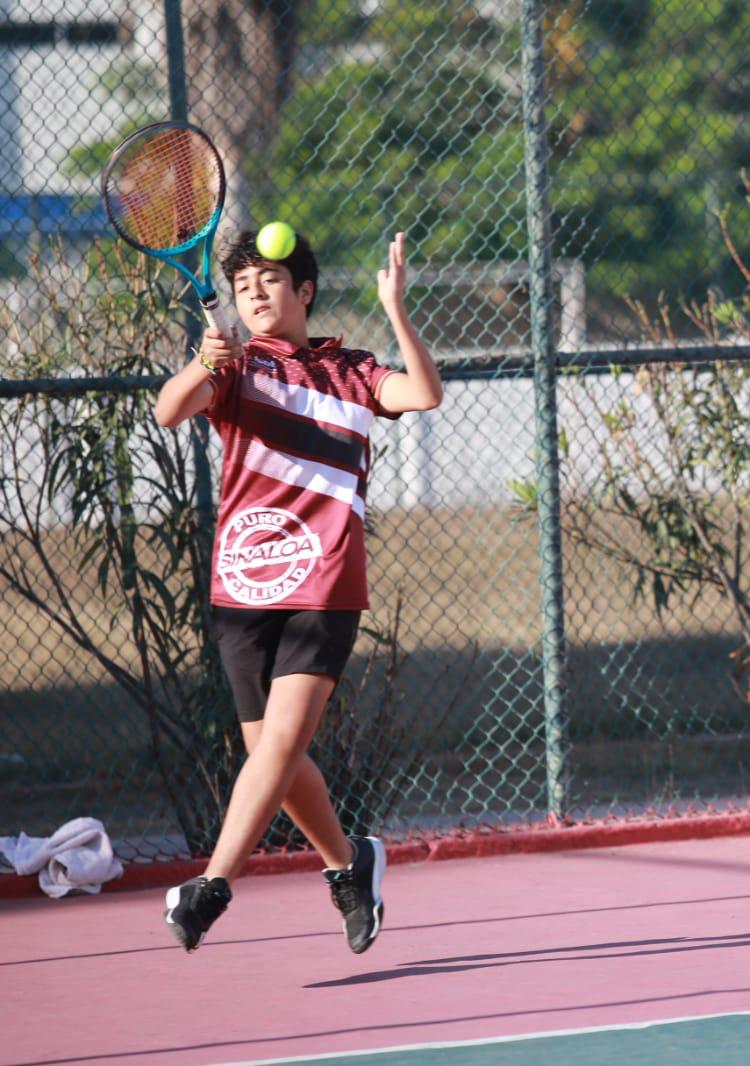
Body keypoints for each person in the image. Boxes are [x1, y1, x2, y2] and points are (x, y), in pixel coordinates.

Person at [153, 230, 443, 952]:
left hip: (325, 581)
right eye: (244, 283)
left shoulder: (354, 370)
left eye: (271, 280)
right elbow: (168, 409)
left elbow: (426, 393)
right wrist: (202, 362)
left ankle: (210, 884)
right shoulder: (236, 368)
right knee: (274, 762)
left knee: (279, 745)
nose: (254, 293)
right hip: (244, 584)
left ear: (304, 292)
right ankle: (350, 863)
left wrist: (397, 310)